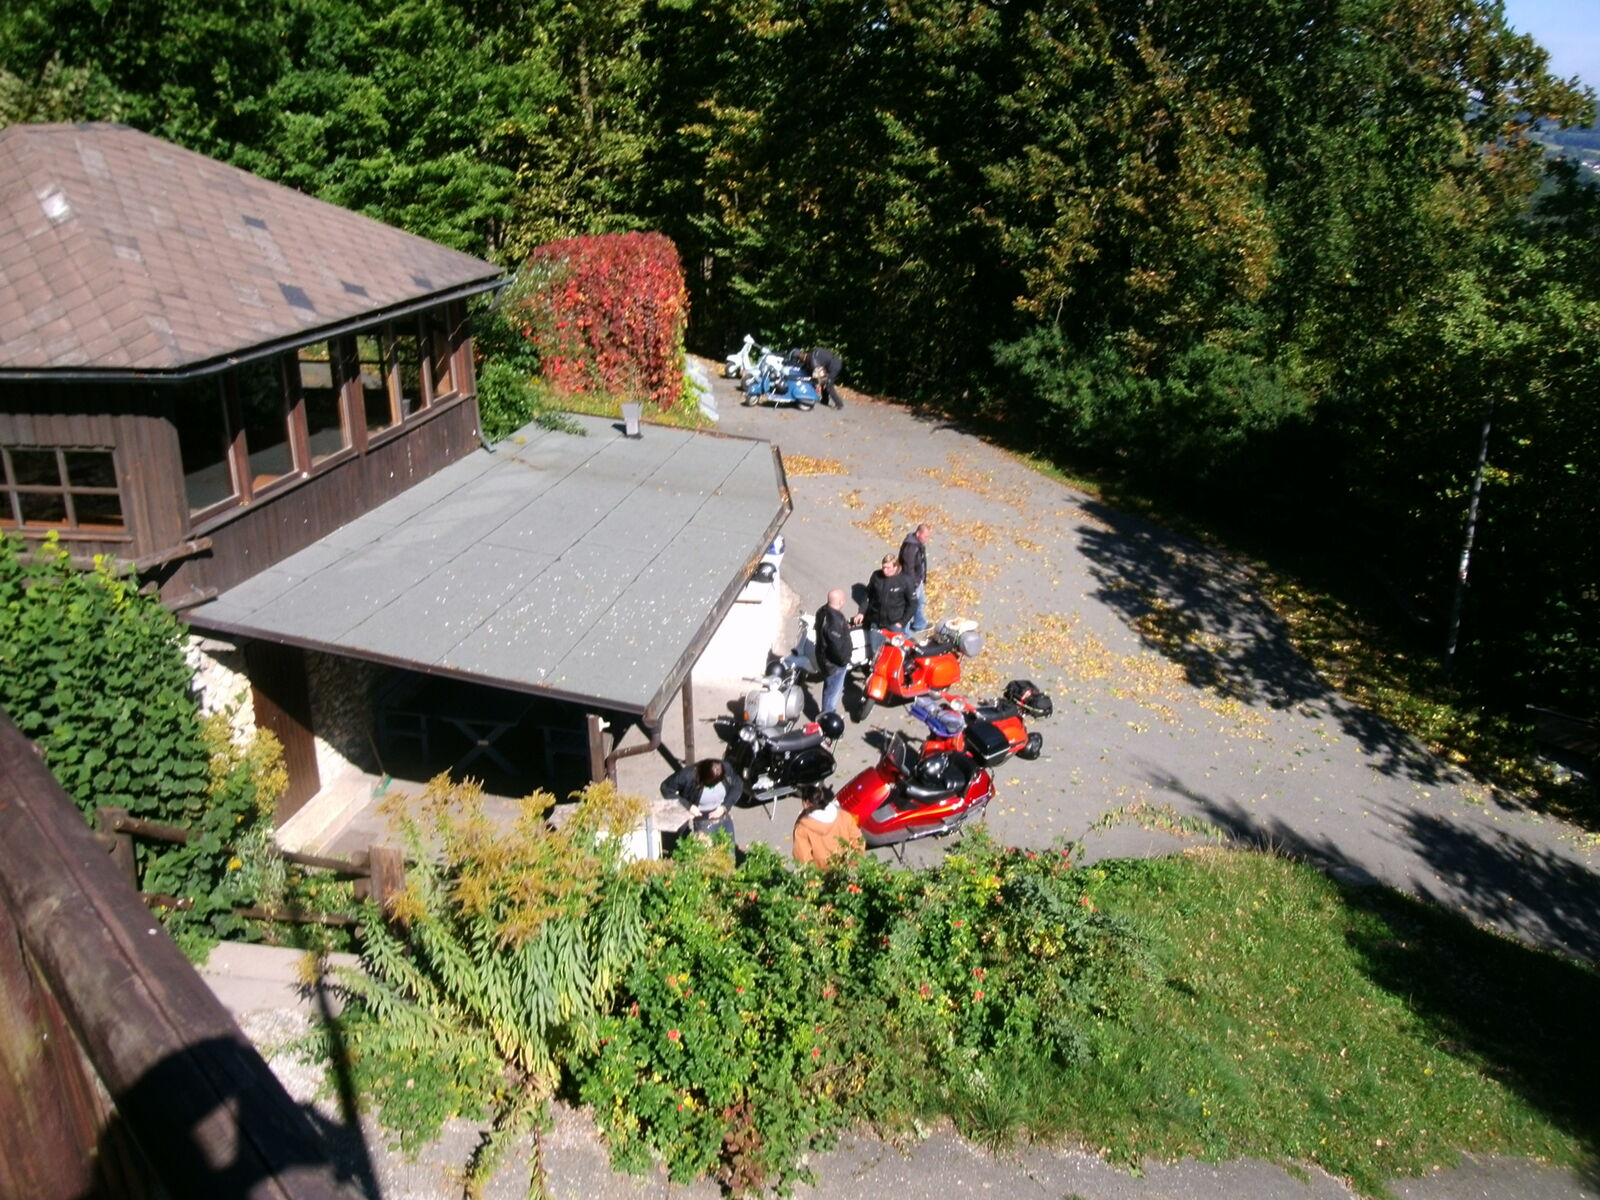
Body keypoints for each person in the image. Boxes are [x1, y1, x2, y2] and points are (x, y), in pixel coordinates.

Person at [660, 758, 742, 840]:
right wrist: (688, 806)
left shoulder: (725, 767)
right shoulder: (687, 775)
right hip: (701, 815)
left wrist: (724, 806)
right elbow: (666, 788)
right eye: (711, 784)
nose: (713, 786)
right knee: (706, 845)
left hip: (722, 813)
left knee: (728, 845)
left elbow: (737, 785)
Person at [856, 552, 915, 657]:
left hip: (894, 623)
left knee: (898, 651)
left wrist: (902, 622)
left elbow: (913, 604)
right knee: (875, 651)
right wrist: (861, 612)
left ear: (895, 567)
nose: (884, 570)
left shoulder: (906, 580)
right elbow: (868, 595)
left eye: (888, 568)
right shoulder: (876, 576)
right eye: (883, 567)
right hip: (876, 622)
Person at [791, 784, 864, 868]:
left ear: (806, 803)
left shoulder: (802, 829)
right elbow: (858, 841)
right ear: (822, 796)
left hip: (820, 873)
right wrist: (851, 865)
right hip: (845, 869)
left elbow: (802, 859)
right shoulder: (844, 816)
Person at [814, 588, 854, 717]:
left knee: (829, 687)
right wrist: (844, 660)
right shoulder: (834, 622)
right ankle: (827, 717)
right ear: (840, 602)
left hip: (823, 657)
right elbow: (836, 647)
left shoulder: (822, 611)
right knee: (832, 691)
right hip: (833, 664)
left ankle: (827, 714)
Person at [898, 523, 932, 633]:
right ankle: (905, 633)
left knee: (920, 602)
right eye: (925, 536)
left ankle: (919, 624)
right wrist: (914, 583)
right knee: (910, 607)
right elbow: (908, 568)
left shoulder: (917, 544)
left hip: (918, 580)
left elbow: (920, 563)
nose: (927, 539)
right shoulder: (911, 547)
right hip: (912, 583)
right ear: (918, 534)